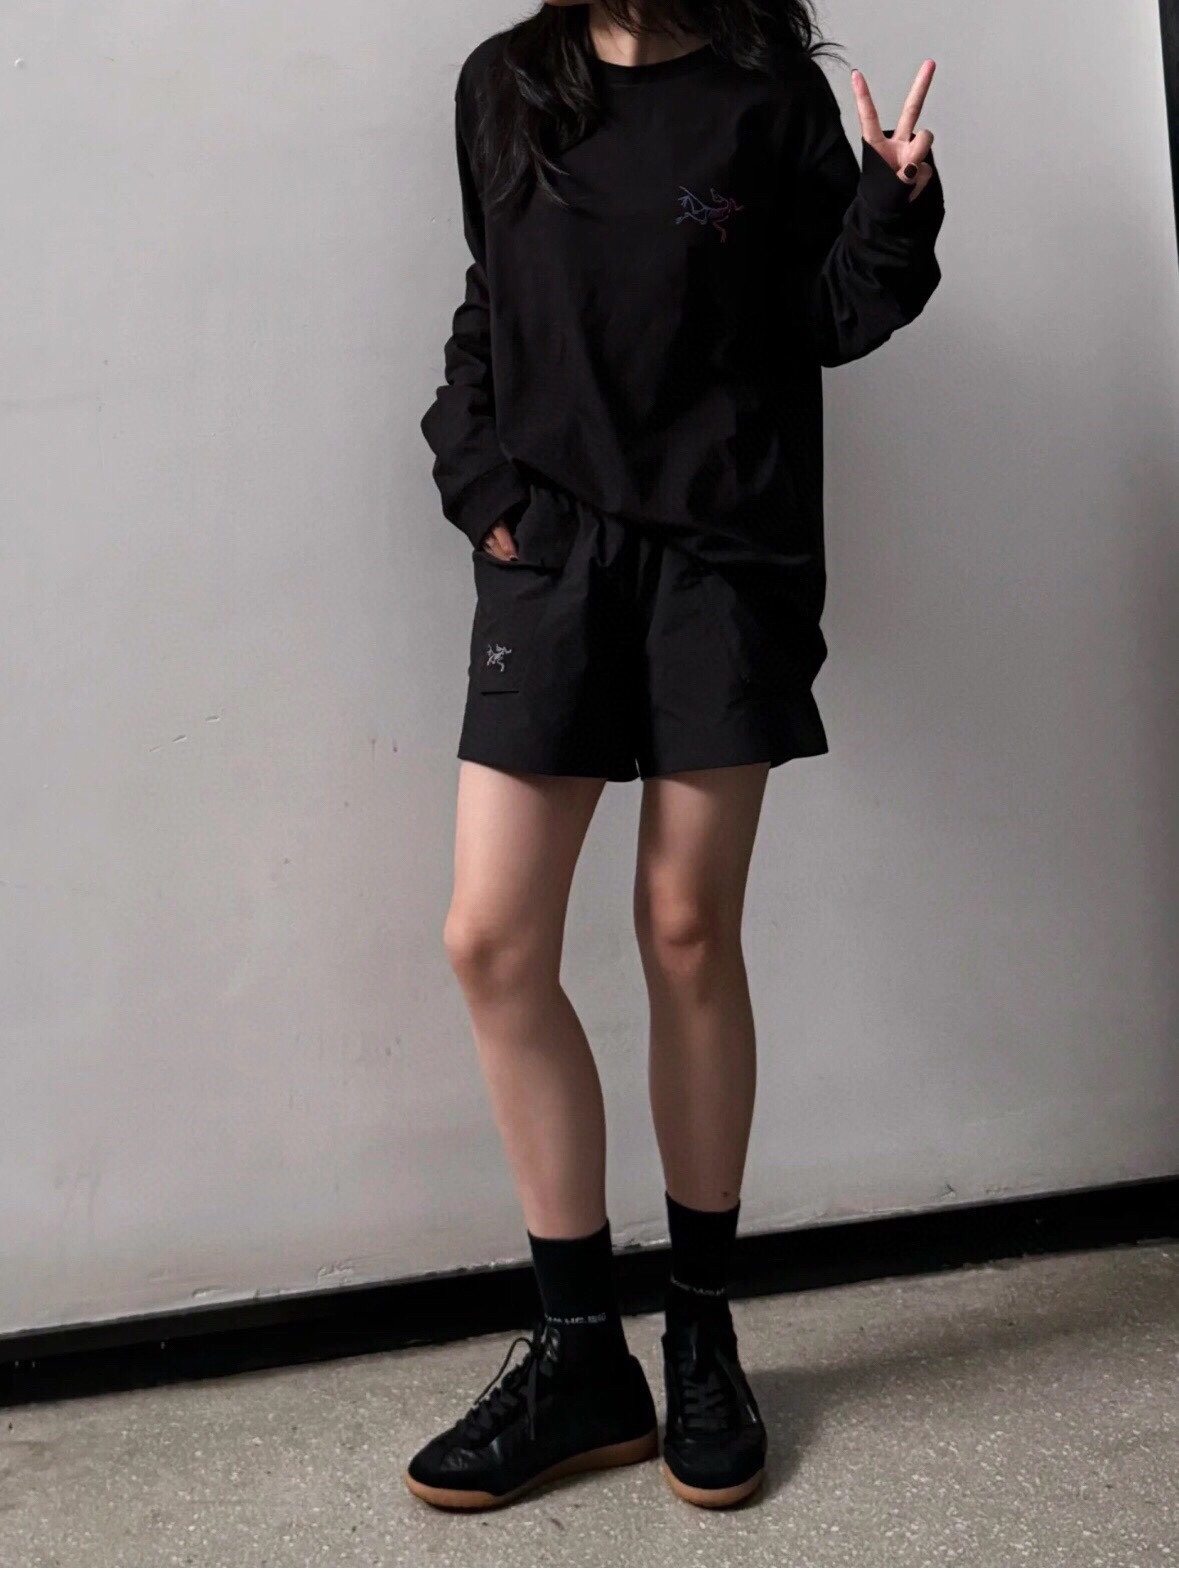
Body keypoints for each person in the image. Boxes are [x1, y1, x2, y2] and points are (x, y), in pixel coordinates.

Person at [406, 0, 945, 1512]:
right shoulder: (504, 86)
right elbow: (490, 299)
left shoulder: (764, 95)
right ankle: (583, 1356)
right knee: (491, 939)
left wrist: (895, 199)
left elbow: (831, 312)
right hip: (551, 555)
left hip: (722, 556)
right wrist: (479, 475)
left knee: (687, 928)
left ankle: (700, 1328)